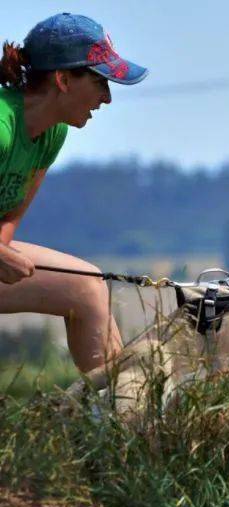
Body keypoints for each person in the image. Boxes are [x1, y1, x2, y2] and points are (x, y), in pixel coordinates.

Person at [0, 13, 148, 372]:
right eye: (100, 82)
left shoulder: (53, 133)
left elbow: (10, 215)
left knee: (87, 288)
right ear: (63, 80)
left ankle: (123, 418)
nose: (108, 98)